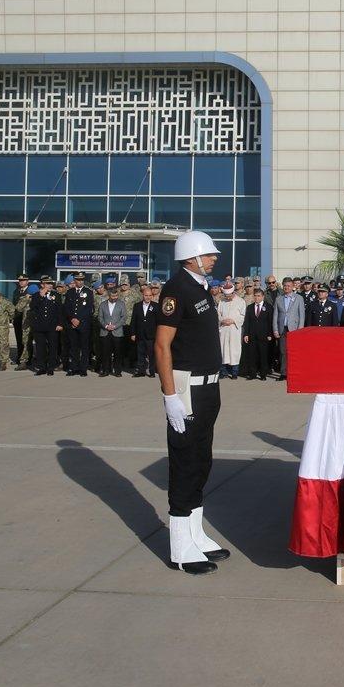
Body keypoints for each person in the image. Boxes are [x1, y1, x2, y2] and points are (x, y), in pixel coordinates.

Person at [155, 231, 231, 575]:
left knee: (202, 460)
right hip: (186, 389)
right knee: (185, 463)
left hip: (208, 388)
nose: (214, 258)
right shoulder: (176, 289)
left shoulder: (200, 288)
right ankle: (179, 547)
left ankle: (195, 534)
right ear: (191, 257)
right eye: (209, 254)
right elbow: (162, 346)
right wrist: (170, 396)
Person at [272, 277, 305, 380]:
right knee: (283, 352)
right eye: (285, 286)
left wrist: (300, 329)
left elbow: (301, 315)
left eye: (288, 286)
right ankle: (284, 373)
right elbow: (275, 316)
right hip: (282, 328)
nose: (286, 288)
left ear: (292, 287)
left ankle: (294, 372)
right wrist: (275, 329)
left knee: (294, 352)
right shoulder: (278, 299)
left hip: (294, 329)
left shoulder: (299, 298)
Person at [63, 272, 94, 377]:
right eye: (78, 280)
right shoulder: (70, 292)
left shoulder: (88, 292)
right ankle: (74, 368)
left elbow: (89, 308)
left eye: (82, 280)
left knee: (84, 347)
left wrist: (79, 319)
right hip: (72, 324)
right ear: (74, 281)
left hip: (83, 324)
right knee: (73, 347)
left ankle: (83, 369)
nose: (80, 281)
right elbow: (66, 307)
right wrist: (72, 319)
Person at [30, 276, 63, 376]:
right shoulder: (36, 295)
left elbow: (60, 310)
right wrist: (41, 296)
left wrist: (60, 323)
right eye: (48, 283)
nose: (50, 285)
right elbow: (33, 307)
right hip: (39, 326)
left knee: (53, 347)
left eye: (51, 283)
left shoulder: (56, 295)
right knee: (40, 348)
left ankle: (51, 367)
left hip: (52, 326)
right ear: (42, 285)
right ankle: (41, 367)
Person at [241, 288, 274, 379]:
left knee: (263, 355)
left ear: (263, 297)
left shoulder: (269, 307)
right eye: (255, 296)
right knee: (252, 356)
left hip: (264, 336)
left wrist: (270, 334)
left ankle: (263, 374)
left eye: (258, 296)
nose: (256, 298)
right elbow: (247, 321)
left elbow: (271, 322)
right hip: (252, 335)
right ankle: (252, 374)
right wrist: (246, 334)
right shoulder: (250, 307)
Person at [216, 281, 245, 379]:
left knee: (235, 350)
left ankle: (235, 372)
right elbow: (218, 314)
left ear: (233, 293)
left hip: (234, 330)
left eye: (229, 295)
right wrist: (222, 321)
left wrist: (233, 321)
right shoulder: (222, 301)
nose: (228, 297)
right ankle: (223, 372)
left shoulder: (240, 301)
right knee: (223, 350)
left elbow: (243, 316)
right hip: (224, 329)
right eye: (226, 295)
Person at [97, 284, 127, 377]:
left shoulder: (121, 304)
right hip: (105, 332)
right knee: (105, 353)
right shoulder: (102, 304)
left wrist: (115, 326)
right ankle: (106, 370)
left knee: (118, 353)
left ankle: (117, 371)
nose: (115, 297)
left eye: (116, 296)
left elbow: (124, 317)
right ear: (109, 295)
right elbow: (100, 317)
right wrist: (106, 326)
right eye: (113, 296)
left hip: (117, 332)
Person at [130, 283, 159, 377]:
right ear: (143, 295)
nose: (148, 297)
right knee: (140, 354)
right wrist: (133, 333)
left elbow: (158, 322)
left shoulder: (156, 306)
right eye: (146, 295)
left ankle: (151, 372)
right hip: (140, 334)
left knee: (151, 355)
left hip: (151, 335)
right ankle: (141, 371)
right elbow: (133, 320)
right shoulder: (137, 306)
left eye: (150, 295)